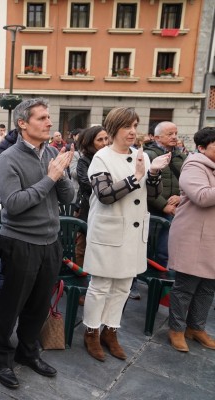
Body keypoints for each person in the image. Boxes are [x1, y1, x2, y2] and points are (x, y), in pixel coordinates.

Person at [0, 98, 74, 389]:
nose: (49, 123)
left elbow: (69, 198)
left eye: (49, 118)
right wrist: (50, 177)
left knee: (39, 305)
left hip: (50, 242)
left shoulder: (52, 151)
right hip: (20, 242)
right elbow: (13, 205)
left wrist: (60, 174)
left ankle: (28, 352)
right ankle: (1, 358)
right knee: (12, 304)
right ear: (22, 123)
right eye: (41, 118)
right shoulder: (7, 159)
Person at [82, 107, 170, 362]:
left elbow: (152, 195)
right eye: (127, 126)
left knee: (122, 286)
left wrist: (153, 174)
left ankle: (111, 331)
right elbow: (105, 195)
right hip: (108, 231)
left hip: (133, 233)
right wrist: (136, 177)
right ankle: (91, 332)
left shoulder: (140, 154)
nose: (132, 131)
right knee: (100, 286)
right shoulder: (102, 157)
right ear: (113, 129)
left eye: (135, 125)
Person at [167, 127, 215, 352]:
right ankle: (176, 329)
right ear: (202, 148)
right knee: (185, 286)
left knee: (208, 287)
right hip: (193, 236)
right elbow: (202, 196)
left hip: (211, 237)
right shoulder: (193, 165)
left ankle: (196, 327)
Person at [143, 121, 187, 267]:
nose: (174, 137)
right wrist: (164, 205)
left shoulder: (181, 157)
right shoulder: (148, 155)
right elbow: (144, 185)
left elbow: (189, 183)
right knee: (147, 248)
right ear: (157, 138)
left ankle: (160, 284)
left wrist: (182, 198)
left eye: (175, 133)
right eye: (170, 134)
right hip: (152, 210)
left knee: (165, 251)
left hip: (176, 210)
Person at [74, 126, 109, 266]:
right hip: (87, 207)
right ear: (90, 142)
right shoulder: (84, 161)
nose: (105, 142)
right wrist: (109, 187)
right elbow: (86, 184)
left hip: (107, 208)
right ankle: (80, 275)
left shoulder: (111, 157)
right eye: (100, 139)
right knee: (83, 244)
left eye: (106, 138)